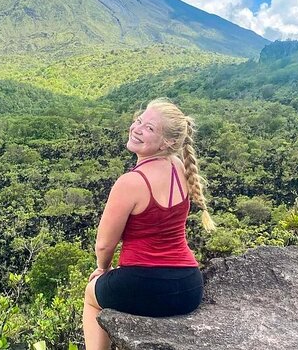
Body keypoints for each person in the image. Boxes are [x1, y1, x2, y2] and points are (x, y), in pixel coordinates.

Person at [82, 98, 216, 349]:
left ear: (169, 142)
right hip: (189, 287)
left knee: (91, 296)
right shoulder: (179, 167)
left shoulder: (131, 183)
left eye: (150, 128)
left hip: (144, 284)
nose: (137, 128)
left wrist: (103, 269)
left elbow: (104, 245)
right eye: (138, 120)